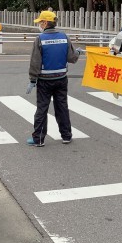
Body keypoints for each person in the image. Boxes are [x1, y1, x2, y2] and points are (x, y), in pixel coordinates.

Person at [27, 10, 81, 146]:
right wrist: (78, 52)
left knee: (42, 109)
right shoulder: (64, 37)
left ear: (45, 23)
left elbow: (35, 62)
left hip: (45, 81)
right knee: (62, 107)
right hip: (62, 79)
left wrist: (33, 80)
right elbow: (72, 58)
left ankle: (38, 139)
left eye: (40, 22)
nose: (39, 24)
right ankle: (66, 136)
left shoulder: (40, 39)